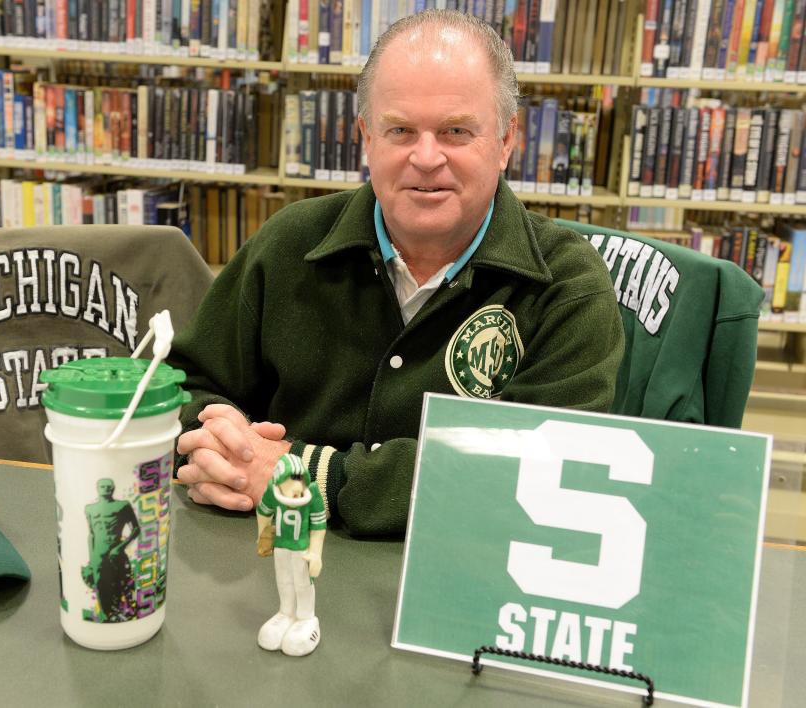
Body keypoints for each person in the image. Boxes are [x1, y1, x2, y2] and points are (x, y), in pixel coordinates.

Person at [168, 10, 624, 537]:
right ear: (366, 138)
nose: (426, 157)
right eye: (400, 130)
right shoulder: (289, 243)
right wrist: (222, 442)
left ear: (505, 142)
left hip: (460, 581)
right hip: (272, 572)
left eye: (456, 131)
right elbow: (189, 384)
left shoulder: (567, 285)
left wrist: (309, 475)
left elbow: (542, 469)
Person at [255, 454, 327, 656]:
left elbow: (318, 526)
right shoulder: (272, 490)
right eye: (291, 478)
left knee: (302, 582)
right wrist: (263, 535)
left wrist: (316, 554)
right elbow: (263, 511)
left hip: (301, 550)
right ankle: (286, 612)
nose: (297, 487)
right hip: (281, 547)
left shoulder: (311, 493)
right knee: (284, 580)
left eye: (299, 478)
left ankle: (306, 617)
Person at [82, 478, 141, 622]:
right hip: (98, 553)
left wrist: (120, 547)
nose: (106, 489)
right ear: (97, 488)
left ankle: (119, 614)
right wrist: (92, 558)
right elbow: (92, 534)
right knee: (100, 585)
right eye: (102, 486)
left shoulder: (122, 506)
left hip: (116, 552)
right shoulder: (90, 508)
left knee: (119, 583)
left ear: (113, 488)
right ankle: (105, 616)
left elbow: (136, 529)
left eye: (109, 486)